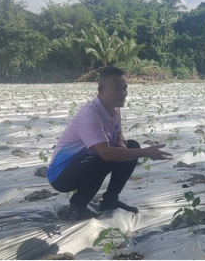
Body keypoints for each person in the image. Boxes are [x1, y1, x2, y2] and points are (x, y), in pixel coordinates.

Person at [47, 66, 173, 220]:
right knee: (104, 159)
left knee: (131, 146)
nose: (123, 94)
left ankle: (110, 200)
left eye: (125, 88)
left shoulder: (113, 109)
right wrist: (147, 152)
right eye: (117, 89)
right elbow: (105, 153)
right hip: (62, 175)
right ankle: (77, 206)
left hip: (88, 160)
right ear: (101, 91)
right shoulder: (90, 115)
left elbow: (118, 132)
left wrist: (121, 146)